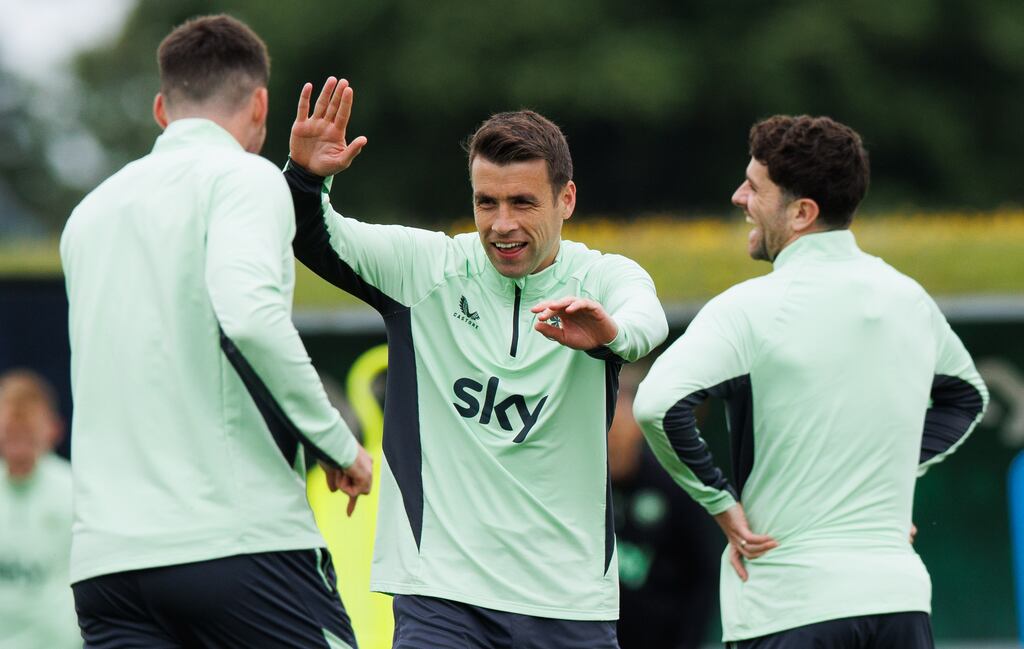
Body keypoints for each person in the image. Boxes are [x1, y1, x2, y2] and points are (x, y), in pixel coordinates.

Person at [283, 78, 669, 648]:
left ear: (566, 199)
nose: (501, 224)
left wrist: (611, 335)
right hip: (441, 597)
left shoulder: (602, 277)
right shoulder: (428, 270)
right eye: (486, 202)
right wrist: (306, 178)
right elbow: (315, 235)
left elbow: (647, 318)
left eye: (522, 203)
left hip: (567, 601)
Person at [60, 15, 372, 648]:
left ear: (160, 108)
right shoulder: (246, 177)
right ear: (260, 103)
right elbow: (251, 318)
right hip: (237, 544)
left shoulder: (86, 216)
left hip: (108, 567)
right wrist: (339, 444)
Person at [633, 115, 989, 648]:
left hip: (787, 606)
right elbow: (968, 397)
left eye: (754, 188)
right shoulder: (908, 298)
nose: (738, 197)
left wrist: (721, 507)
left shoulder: (748, 307)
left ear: (802, 213)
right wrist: (881, 475)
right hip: (900, 605)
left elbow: (657, 405)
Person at [609, 364, 718, 648]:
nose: (613, 435)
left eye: (620, 425)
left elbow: (701, 574)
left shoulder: (674, 485)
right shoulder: (579, 482)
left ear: (638, 427)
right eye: (607, 426)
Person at [0, 369, 79, 648]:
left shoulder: (75, 492)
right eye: (11, 433)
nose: (18, 443)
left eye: (28, 433)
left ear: (54, 429)